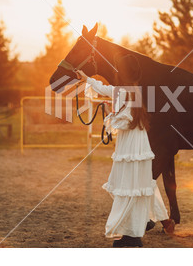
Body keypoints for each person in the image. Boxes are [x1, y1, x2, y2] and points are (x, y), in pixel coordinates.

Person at [75, 56, 173, 248]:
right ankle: (142, 223)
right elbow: (105, 89)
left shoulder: (125, 92)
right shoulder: (131, 90)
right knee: (136, 183)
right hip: (136, 142)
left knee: (129, 184)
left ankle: (133, 235)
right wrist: (86, 78)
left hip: (131, 144)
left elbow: (126, 120)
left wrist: (110, 115)